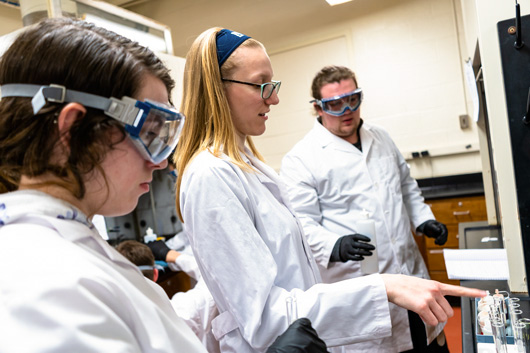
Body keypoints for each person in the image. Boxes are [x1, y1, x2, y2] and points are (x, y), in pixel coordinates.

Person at [0, 18, 325, 353]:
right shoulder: (40, 280)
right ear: (71, 130)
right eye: (149, 134)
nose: (158, 163)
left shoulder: (70, 246)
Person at [175, 27, 486, 353]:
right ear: (215, 88)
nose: (275, 98)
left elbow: (404, 187)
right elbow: (264, 315)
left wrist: (413, 237)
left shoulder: (251, 166)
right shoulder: (212, 176)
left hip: (324, 325)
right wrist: (379, 284)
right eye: (261, 85)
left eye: (273, 85)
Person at [279, 65, 451, 352]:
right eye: (334, 104)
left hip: (409, 273)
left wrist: (424, 220)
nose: (346, 109)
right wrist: (334, 245)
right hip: (359, 284)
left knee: (428, 342)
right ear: (318, 108)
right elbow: (301, 223)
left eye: (352, 99)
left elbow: (405, 185)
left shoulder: (380, 137)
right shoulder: (301, 158)